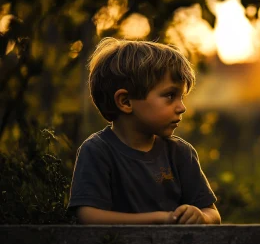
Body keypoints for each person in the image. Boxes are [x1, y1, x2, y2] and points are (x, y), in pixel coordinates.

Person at [67, 38, 221, 225]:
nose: (181, 107)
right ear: (125, 102)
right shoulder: (97, 151)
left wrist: (201, 216)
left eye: (182, 97)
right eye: (170, 96)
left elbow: (213, 214)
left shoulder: (181, 153)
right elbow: (88, 215)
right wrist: (158, 219)